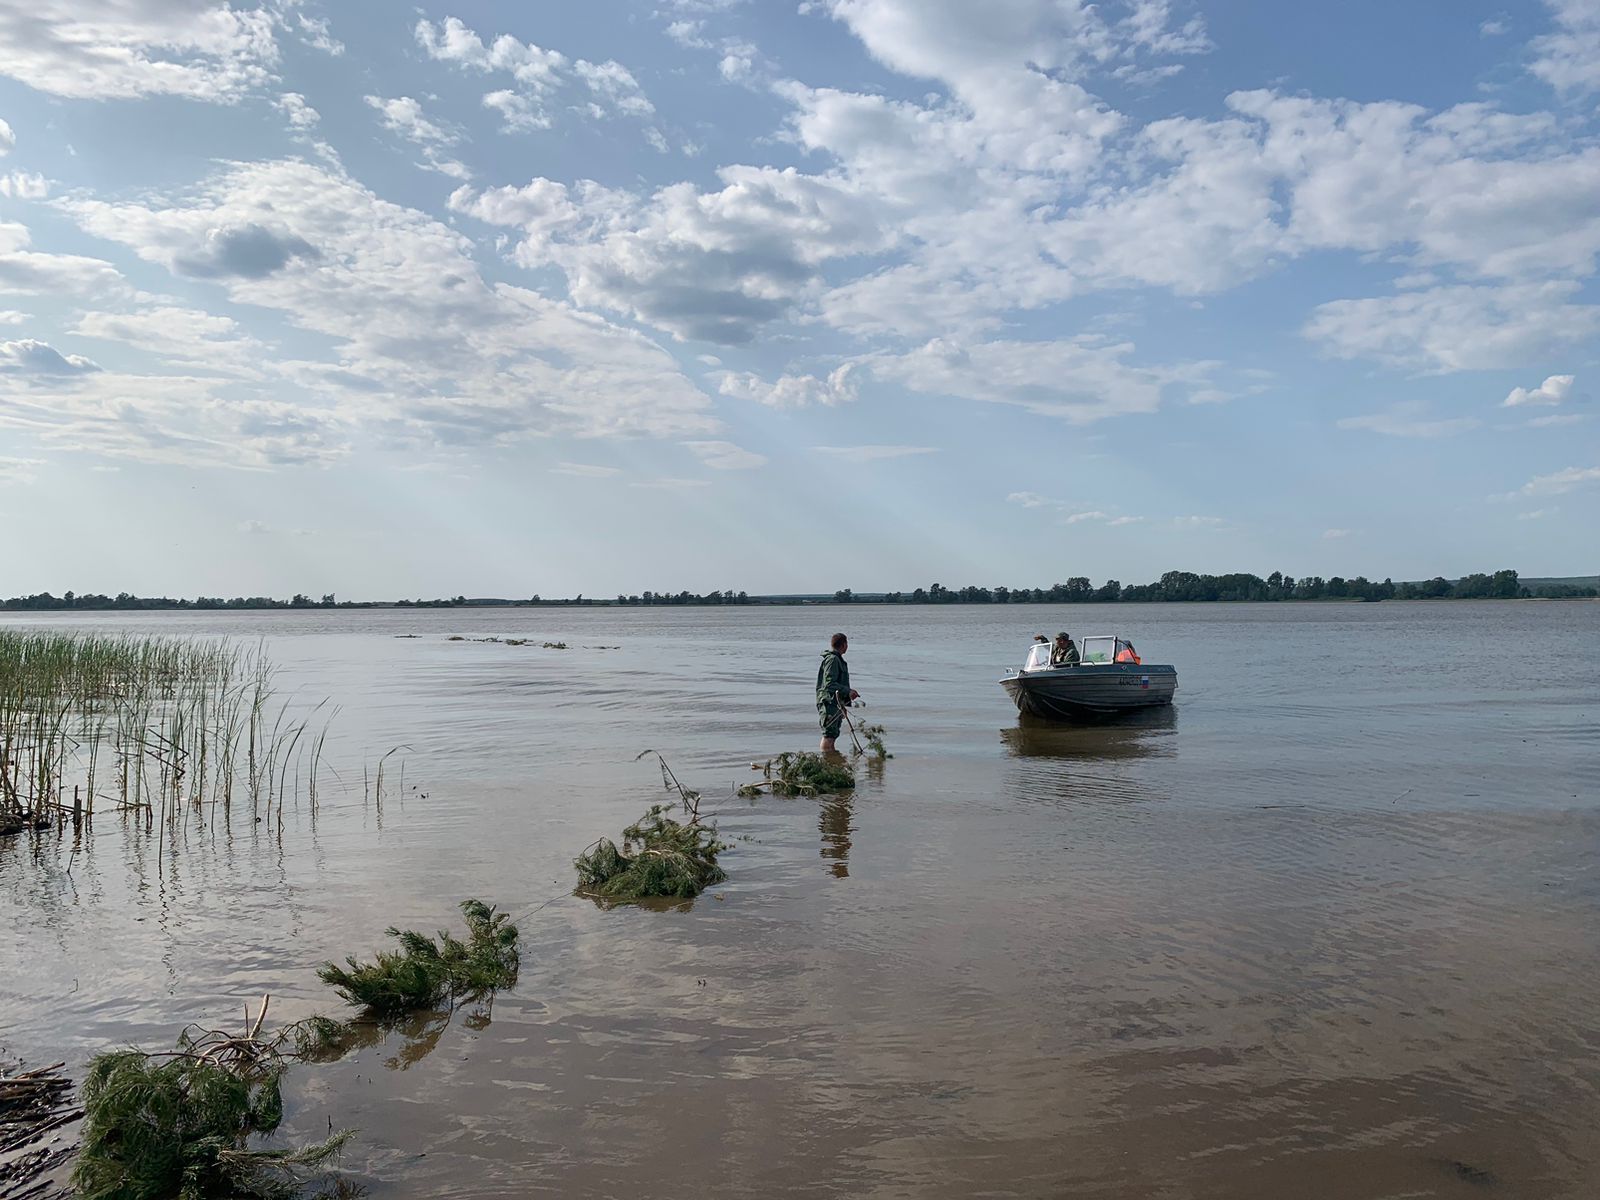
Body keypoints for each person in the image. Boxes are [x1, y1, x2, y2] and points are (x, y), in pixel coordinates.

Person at [816, 632, 859, 752]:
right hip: (828, 704)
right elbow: (829, 684)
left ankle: (832, 761)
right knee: (828, 735)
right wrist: (848, 691)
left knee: (833, 736)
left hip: (835, 703)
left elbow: (835, 685)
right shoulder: (833, 660)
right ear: (844, 644)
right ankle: (826, 762)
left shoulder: (837, 659)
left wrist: (843, 704)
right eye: (847, 643)